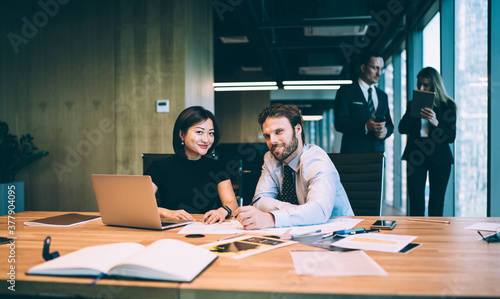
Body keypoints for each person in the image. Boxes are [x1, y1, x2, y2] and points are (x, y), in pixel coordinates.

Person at [234, 104, 354, 229]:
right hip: (297, 230)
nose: (272, 141)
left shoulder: (317, 160)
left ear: (297, 130)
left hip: (338, 232)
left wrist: (272, 218)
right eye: (267, 136)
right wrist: (303, 211)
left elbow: (319, 211)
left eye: (279, 132)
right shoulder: (270, 159)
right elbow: (259, 201)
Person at [144, 106, 238, 224]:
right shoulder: (161, 167)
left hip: (205, 228)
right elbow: (140, 204)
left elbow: (232, 202)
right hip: (170, 230)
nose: (206, 140)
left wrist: (222, 211)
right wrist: (167, 213)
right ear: (182, 134)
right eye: (199, 132)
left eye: (211, 133)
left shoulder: (217, 167)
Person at [399, 67, 457, 216]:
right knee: (416, 204)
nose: (421, 88)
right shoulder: (413, 103)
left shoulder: (447, 105)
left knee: (436, 205)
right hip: (416, 156)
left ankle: (435, 238)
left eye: (425, 85)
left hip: (440, 159)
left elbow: (451, 136)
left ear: (435, 86)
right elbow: (402, 128)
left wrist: (435, 121)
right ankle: (417, 237)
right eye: (419, 84)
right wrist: (412, 112)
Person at [334, 51, 394, 153]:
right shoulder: (346, 91)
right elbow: (340, 123)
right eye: (375, 68)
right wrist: (365, 127)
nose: (379, 73)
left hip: (378, 153)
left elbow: (389, 124)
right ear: (363, 68)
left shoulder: (382, 95)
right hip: (354, 154)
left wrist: (385, 131)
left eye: (381, 69)